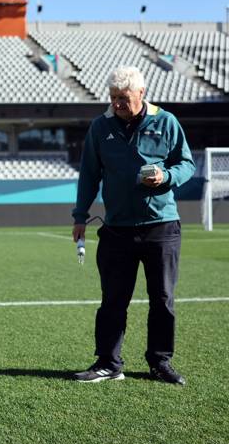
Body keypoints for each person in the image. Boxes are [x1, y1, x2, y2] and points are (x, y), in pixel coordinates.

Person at [72, 66, 195, 385]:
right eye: (113, 98)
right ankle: (108, 363)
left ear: (141, 93)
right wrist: (80, 216)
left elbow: (186, 164)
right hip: (116, 229)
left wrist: (166, 177)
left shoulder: (166, 122)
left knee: (162, 299)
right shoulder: (100, 127)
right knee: (113, 299)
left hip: (162, 228)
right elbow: (89, 174)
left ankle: (159, 362)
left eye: (123, 98)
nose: (117, 104)